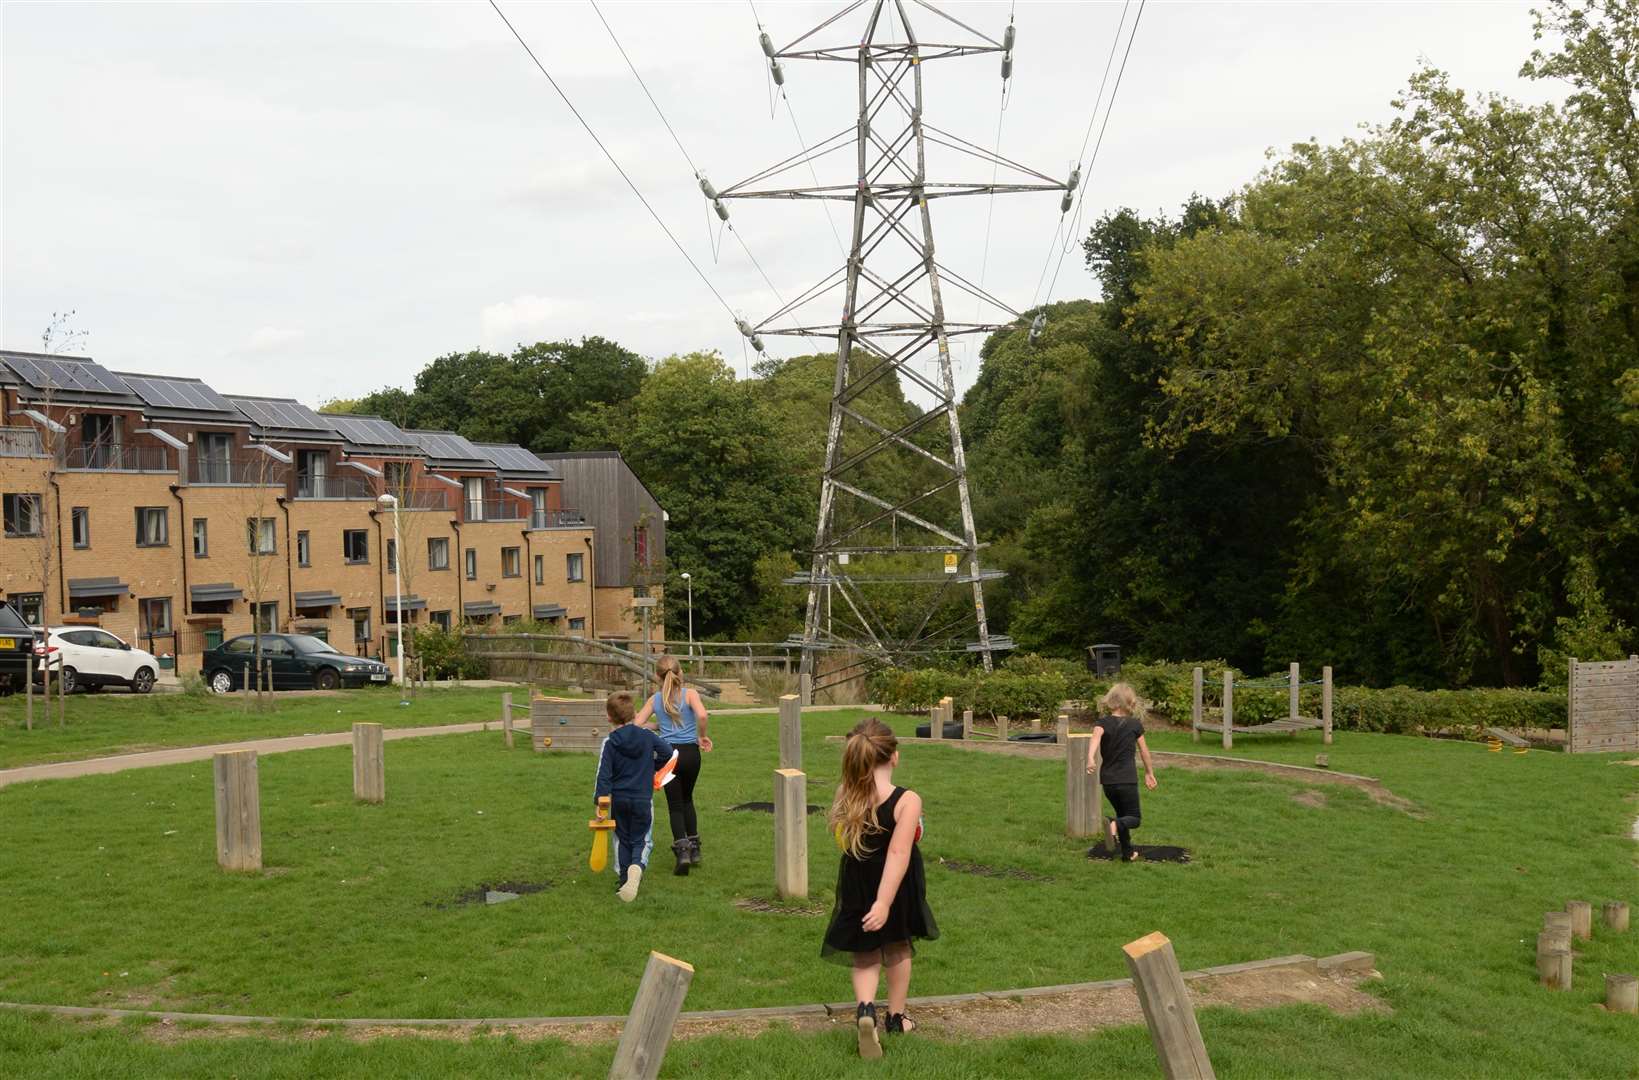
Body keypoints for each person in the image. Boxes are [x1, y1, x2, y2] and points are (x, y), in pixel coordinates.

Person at [821, 717, 938, 1060]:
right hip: (896, 887)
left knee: (865, 952)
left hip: (857, 880)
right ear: (894, 756)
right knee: (898, 947)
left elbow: (842, 837)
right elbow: (899, 852)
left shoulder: (846, 793)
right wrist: (885, 902)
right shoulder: (907, 800)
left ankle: (866, 1010)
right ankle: (896, 1018)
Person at [635, 655, 712, 875]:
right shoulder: (691, 694)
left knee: (675, 805)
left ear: (657, 677)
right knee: (688, 799)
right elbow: (703, 715)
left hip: (668, 755)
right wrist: (702, 736)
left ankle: (683, 851)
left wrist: (659, 727)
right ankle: (695, 848)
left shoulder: (655, 699)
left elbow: (638, 724)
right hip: (691, 754)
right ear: (680, 673)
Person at [594, 691, 672, 903]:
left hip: (619, 799)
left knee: (622, 838)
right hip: (642, 798)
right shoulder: (648, 736)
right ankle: (637, 867)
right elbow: (668, 752)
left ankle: (623, 881)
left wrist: (600, 804)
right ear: (635, 714)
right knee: (641, 838)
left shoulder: (609, 742)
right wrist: (651, 769)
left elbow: (603, 776)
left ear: (609, 717)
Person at [1085, 682, 1158, 862]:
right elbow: (1144, 751)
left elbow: (1094, 739)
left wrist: (1090, 758)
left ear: (1111, 701)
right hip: (1127, 780)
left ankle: (1128, 853)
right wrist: (1149, 773)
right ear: (1131, 703)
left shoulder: (1101, 723)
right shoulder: (1134, 725)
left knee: (1123, 815)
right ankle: (1113, 824)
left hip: (1108, 782)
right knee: (1134, 818)